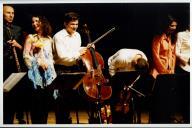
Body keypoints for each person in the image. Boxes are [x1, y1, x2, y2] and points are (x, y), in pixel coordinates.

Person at [52, 12, 88, 124]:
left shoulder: (77, 35)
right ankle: (61, 123)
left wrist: (86, 48)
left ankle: (67, 122)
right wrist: (79, 53)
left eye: (76, 24)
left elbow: (75, 50)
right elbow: (62, 57)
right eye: (72, 24)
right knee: (60, 100)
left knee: (69, 99)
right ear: (65, 24)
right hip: (60, 69)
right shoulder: (58, 36)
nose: (75, 26)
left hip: (73, 69)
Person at [23, 15, 57, 124]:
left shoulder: (49, 39)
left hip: (48, 75)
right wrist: (37, 63)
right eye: (32, 22)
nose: (34, 23)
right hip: (36, 75)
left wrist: (49, 65)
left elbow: (52, 57)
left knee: (46, 103)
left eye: (37, 21)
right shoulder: (31, 37)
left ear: (43, 22)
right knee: (37, 104)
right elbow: (26, 57)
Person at [107, 48, 149, 123]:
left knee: (129, 95)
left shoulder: (144, 59)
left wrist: (132, 85)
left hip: (130, 73)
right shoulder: (122, 58)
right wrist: (118, 83)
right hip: (117, 69)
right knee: (118, 95)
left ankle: (128, 120)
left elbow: (139, 75)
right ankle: (116, 120)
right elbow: (111, 68)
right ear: (135, 62)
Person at [150, 14, 178, 123]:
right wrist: (164, 72)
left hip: (169, 72)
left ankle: (166, 119)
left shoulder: (171, 38)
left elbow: (173, 56)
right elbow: (155, 56)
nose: (174, 28)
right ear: (166, 25)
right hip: (158, 73)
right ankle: (157, 121)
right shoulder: (158, 37)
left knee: (168, 97)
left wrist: (172, 71)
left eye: (175, 26)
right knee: (159, 99)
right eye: (172, 25)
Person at [3, 5, 27, 124]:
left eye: (12, 13)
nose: (11, 15)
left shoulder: (17, 29)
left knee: (15, 95)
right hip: (3, 65)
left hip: (15, 66)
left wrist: (17, 45)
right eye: (8, 13)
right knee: (4, 97)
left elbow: (24, 48)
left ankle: (15, 119)